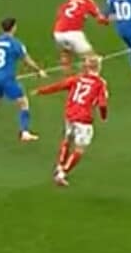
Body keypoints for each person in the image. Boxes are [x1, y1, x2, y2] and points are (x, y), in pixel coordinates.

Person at [36, 54, 111, 187]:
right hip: (84, 119)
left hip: (70, 115)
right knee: (79, 149)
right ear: (98, 67)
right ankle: (62, 174)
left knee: (67, 140)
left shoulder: (78, 79)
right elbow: (103, 104)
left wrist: (42, 91)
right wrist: (104, 116)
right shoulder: (100, 83)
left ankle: (60, 165)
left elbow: (59, 85)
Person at [0, 17, 46, 141]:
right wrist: (38, 70)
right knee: (23, 103)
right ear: (13, 28)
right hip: (7, 79)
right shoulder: (15, 43)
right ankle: (25, 132)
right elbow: (27, 60)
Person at [52, 0, 106, 74]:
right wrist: (108, 19)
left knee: (66, 55)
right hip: (73, 33)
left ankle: (68, 78)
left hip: (58, 32)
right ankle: (87, 78)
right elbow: (100, 19)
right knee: (92, 58)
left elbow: (60, 13)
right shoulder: (88, 1)